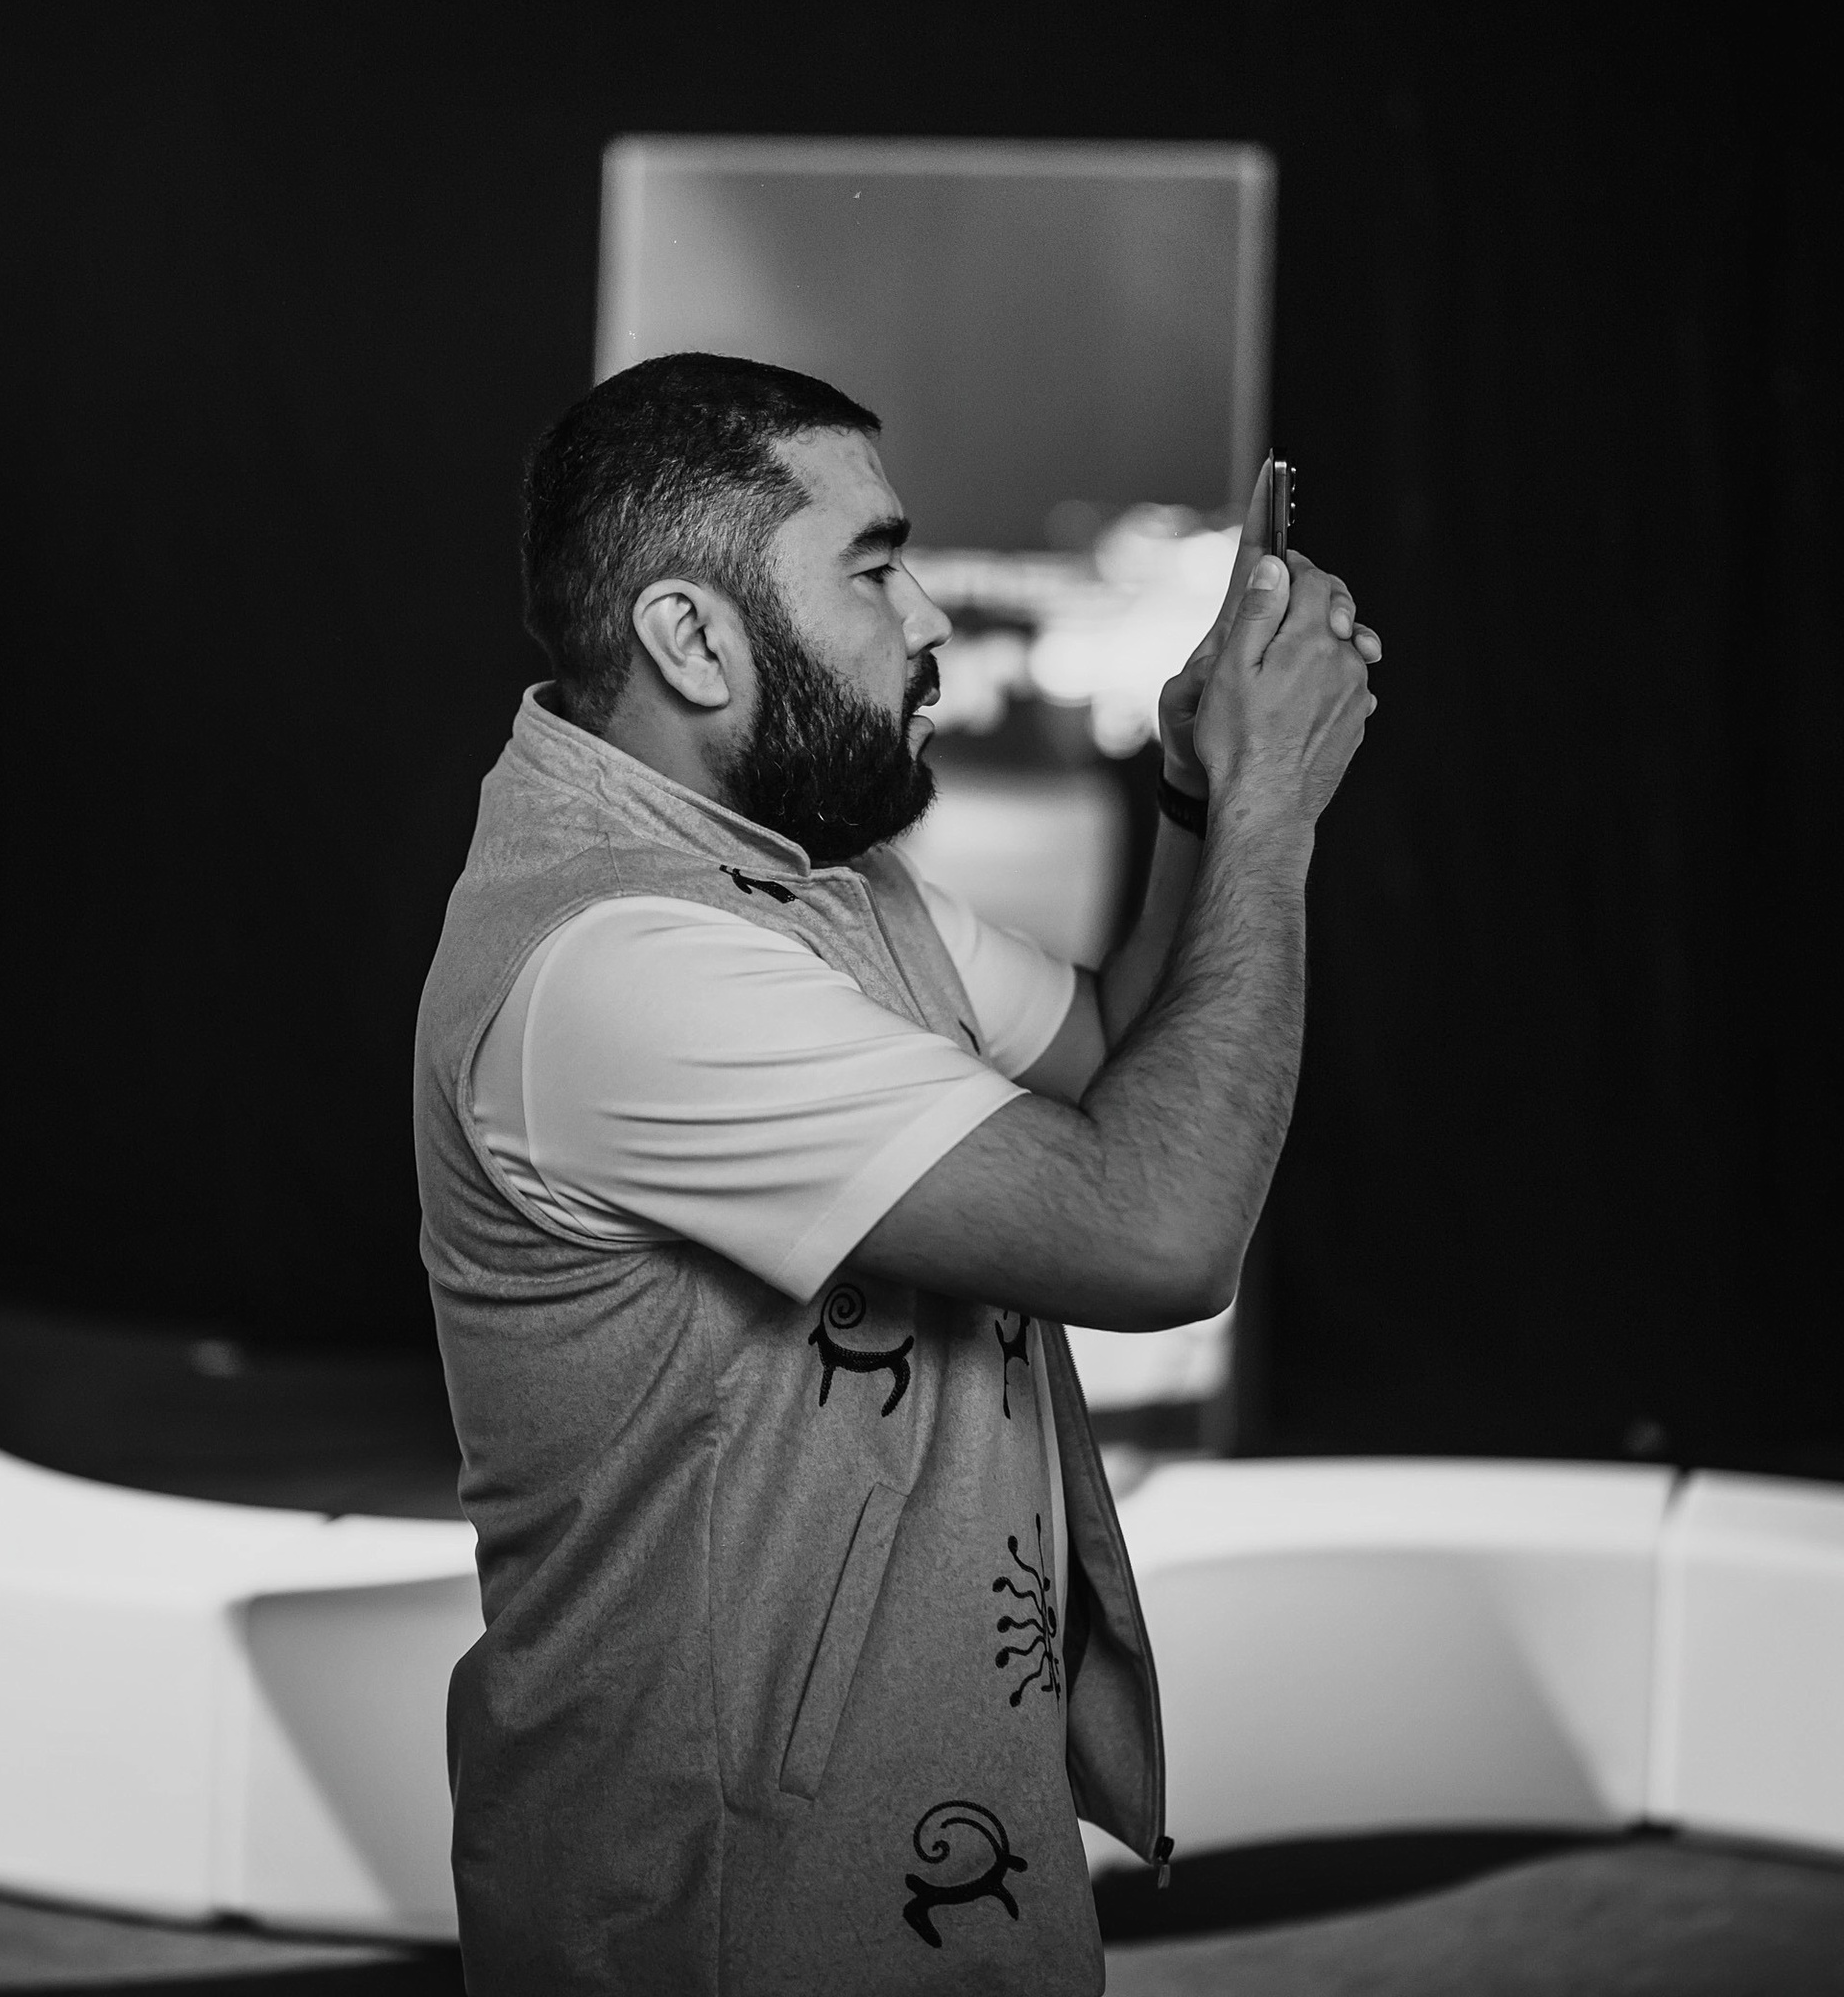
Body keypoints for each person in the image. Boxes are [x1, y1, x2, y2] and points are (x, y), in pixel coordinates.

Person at [415, 352, 1379, 1997]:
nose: (928, 615)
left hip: (928, 1885)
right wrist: (1275, 814)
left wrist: (1199, 793)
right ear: (692, 638)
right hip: (729, 1925)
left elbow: (1127, 1063)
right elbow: (1158, 1230)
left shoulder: (821, 885)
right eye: (873, 567)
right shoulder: (619, 968)